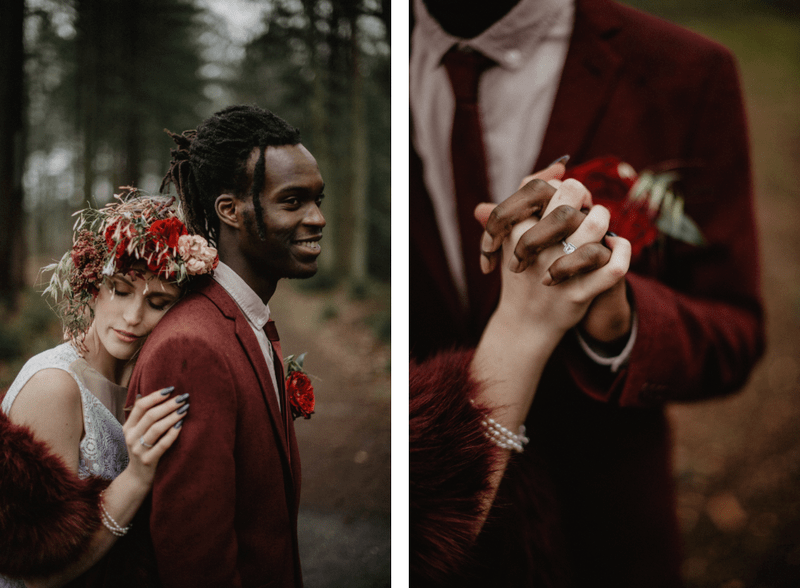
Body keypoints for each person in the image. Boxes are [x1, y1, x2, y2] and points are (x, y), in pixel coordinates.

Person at [410, 0, 765, 586]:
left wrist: (622, 324)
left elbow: (737, 328)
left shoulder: (686, 71)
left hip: (603, 539)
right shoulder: (383, 57)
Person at [124, 105, 324, 588]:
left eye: (318, 199)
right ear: (230, 210)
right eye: (292, 202)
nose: (317, 219)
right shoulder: (193, 348)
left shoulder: (244, 321)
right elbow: (196, 558)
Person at [0, 193, 218, 587]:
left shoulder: (145, 377)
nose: (133, 318)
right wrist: (136, 477)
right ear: (92, 283)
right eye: (119, 290)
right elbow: (37, 572)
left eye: (157, 302)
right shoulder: (56, 387)